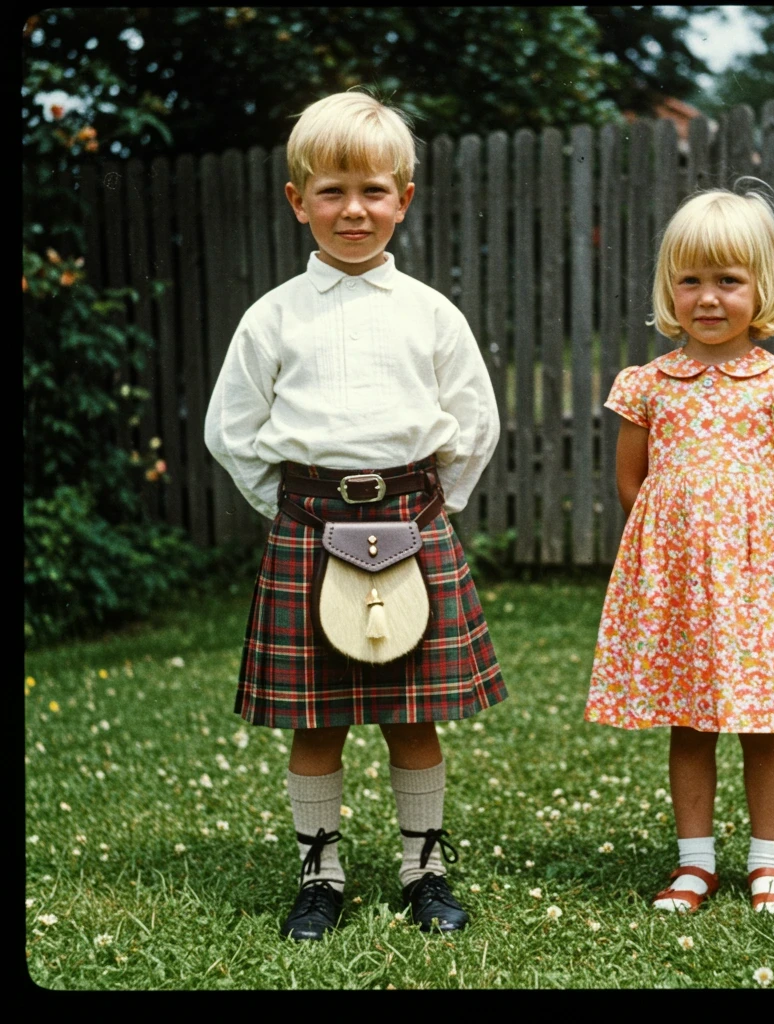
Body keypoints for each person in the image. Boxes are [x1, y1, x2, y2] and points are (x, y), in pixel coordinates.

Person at [204, 90, 506, 941]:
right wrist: (290, 510)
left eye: (373, 190)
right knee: (317, 720)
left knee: (414, 715)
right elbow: (230, 432)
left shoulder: (431, 313)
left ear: (403, 199)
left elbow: (474, 422)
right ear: (297, 199)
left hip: (414, 524)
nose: (353, 209)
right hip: (309, 530)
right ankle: (321, 872)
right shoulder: (272, 317)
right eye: (331, 191)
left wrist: (437, 508)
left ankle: (424, 867)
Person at [585, 186, 774, 917]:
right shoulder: (648, 385)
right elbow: (634, 486)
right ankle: (694, 865)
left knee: (765, 722)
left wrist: (749, 558)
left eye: (728, 281)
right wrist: (682, 552)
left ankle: (769, 865)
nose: (707, 298)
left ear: (762, 289)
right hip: (678, 586)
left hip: (758, 585)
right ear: (669, 288)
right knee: (690, 720)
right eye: (690, 280)